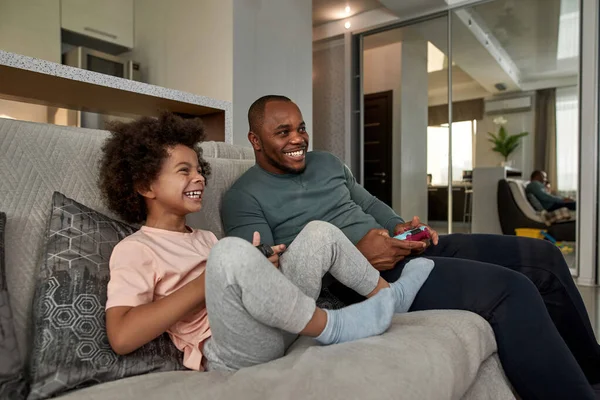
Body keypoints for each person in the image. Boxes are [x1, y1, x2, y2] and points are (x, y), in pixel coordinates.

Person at [222, 95, 599, 399]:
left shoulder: (327, 162)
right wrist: (356, 255)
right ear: (256, 140)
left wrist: (398, 227)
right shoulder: (243, 197)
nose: (298, 139)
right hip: (359, 281)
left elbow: (368, 203)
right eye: (283, 131)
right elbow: (266, 277)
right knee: (512, 289)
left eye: (301, 128)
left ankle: (592, 374)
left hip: (400, 249)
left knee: (543, 257)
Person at [97, 112, 435, 373]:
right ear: (145, 186)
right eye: (183, 171)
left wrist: (261, 270)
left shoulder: (205, 238)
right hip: (230, 351)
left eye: (199, 168)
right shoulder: (136, 249)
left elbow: (238, 283)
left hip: (275, 326)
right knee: (230, 252)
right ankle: (334, 326)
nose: (199, 177)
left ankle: (389, 297)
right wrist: (211, 279)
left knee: (319, 231)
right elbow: (122, 336)